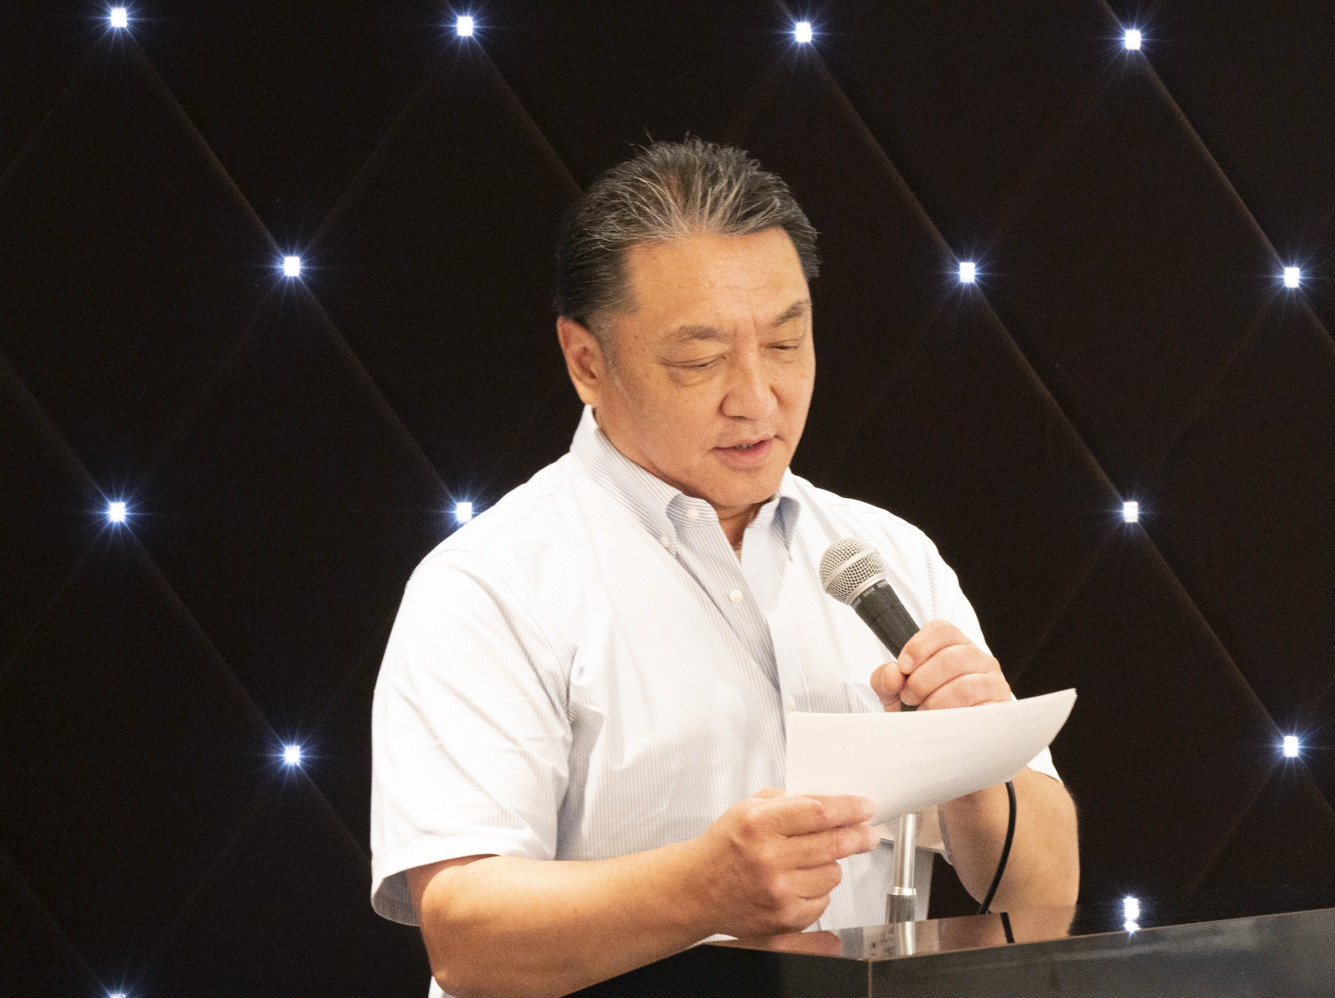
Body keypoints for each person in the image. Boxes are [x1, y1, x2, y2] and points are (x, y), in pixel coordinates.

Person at [369, 138, 1079, 998]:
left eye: (786, 343)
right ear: (586, 361)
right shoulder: (489, 582)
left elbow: (1043, 902)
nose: (756, 396)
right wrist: (701, 889)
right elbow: (465, 934)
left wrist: (974, 768)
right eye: (699, 360)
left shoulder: (887, 555)